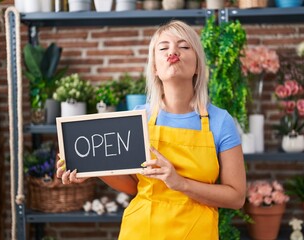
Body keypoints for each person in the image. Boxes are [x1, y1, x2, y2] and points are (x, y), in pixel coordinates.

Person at [57, 20, 246, 239]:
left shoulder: (220, 121)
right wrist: (92, 168)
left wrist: (180, 183)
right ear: (155, 66)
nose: (173, 51)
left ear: (197, 66)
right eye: (163, 48)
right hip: (141, 230)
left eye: (184, 46)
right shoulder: (140, 117)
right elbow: (134, 186)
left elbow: (236, 197)